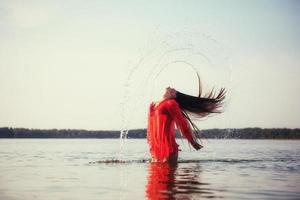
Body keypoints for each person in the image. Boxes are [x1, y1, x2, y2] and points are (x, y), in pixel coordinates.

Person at [147, 81, 226, 163]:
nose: (172, 88)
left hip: (169, 149)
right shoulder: (152, 105)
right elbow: (150, 129)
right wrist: (152, 147)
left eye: (175, 92)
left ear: (173, 96)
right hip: (156, 151)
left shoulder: (171, 104)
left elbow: (183, 124)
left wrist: (192, 142)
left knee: (168, 174)